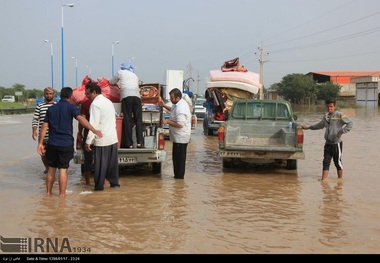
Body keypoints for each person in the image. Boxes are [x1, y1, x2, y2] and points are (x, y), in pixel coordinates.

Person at [37, 87, 103, 198]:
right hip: (66, 144)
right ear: (71, 96)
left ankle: (48, 194)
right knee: (63, 170)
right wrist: (94, 130)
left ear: (60, 95)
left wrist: (40, 143)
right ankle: (62, 195)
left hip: (52, 143)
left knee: (51, 170)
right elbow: (81, 119)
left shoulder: (52, 109)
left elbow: (44, 126)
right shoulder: (71, 108)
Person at [302, 99, 354, 181]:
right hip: (328, 143)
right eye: (328, 106)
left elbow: (350, 123)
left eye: (331, 106)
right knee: (326, 162)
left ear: (334, 107)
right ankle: (323, 181)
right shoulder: (326, 117)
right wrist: (308, 127)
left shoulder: (339, 115)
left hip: (336, 143)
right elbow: (319, 125)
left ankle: (340, 181)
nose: (329, 108)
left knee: (338, 162)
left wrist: (341, 131)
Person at [84, 82, 120, 191]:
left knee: (100, 166)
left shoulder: (95, 104)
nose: (87, 96)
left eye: (88, 94)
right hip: (112, 137)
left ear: (94, 92)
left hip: (102, 139)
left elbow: (93, 124)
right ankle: (114, 185)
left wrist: (88, 141)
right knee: (112, 166)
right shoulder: (108, 101)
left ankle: (99, 188)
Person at [109, 62, 144, 148]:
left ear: (122, 68)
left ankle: (129, 144)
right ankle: (140, 142)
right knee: (138, 120)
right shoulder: (134, 75)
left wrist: (113, 83)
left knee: (127, 120)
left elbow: (111, 81)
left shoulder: (120, 72)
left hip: (126, 96)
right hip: (137, 97)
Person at [160, 88, 192, 179]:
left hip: (181, 137)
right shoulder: (177, 104)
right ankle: (176, 177)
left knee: (180, 160)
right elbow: (173, 109)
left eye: (172, 98)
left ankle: (179, 178)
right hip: (176, 137)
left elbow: (180, 124)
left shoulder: (182, 108)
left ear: (177, 98)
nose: (170, 99)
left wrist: (167, 122)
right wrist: (164, 106)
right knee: (175, 158)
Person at [32, 87, 56, 174]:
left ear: (53, 94)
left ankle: (53, 168)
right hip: (43, 135)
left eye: (50, 94)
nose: (48, 95)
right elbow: (35, 119)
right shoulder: (40, 106)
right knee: (43, 153)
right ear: (44, 94)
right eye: (47, 94)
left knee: (54, 153)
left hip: (55, 135)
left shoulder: (57, 105)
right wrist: (34, 130)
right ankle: (47, 168)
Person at [76, 97, 93, 185]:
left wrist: (79, 132)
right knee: (101, 160)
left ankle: (87, 183)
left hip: (88, 134)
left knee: (87, 160)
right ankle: (102, 182)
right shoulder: (105, 102)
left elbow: (82, 119)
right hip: (100, 136)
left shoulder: (85, 104)